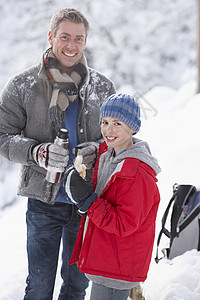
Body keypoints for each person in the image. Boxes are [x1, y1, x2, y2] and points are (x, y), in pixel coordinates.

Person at [0, 8, 116, 300]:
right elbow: (2, 136)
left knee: (77, 286)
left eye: (79, 38)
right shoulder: (22, 86)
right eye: (64, 36)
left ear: (86, 41)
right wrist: (35, 152)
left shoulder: (102, 88)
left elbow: (117, 140)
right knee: (39, 288)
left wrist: (98, 149)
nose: (71, 45)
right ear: (51, 37)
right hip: (43, 202)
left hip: (87, 202)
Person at [64, 93, 161, 300]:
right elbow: (106, 196)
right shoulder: (109, 156)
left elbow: (124, 223)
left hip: (118, 267)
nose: (109, 130)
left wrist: (89, 201)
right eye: (105, 122)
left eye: (117, 123)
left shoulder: (136, 172)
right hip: (107, 259)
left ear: (132, 127)